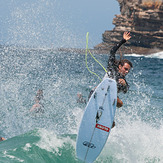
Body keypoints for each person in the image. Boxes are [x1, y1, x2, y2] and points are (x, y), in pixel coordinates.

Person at [89, 31, 133, 128]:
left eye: (128, 71)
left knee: (120, 104)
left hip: (108, 100)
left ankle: (104, 119)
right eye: (125, 69)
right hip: (97, 94)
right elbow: (112, 51)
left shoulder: (123, 80)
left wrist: (125, 85)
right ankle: (89, 108)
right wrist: (123, 41)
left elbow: (125, 91)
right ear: (120, 66)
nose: (126, 72)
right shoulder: (111, 67)